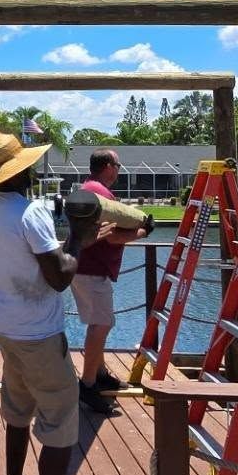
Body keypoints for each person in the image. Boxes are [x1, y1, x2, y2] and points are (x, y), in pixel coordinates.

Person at [0, 130, 106, 475]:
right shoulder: (31, 213)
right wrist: (80, 237)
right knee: (60, 425)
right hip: (39, 332)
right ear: (25, 169)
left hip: (6, 326)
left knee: (17, 411)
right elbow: (60, 277)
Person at [73, 150, 149, 417]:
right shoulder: (102, 195)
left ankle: (101, 373)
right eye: (117, 165)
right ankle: (88, 383)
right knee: (102, 324)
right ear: (107, 166)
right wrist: (142, 231)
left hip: (83, 268)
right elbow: (114, 238)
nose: (118, 170)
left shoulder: (88, 189)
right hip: (93, 270)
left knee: (98, 322)